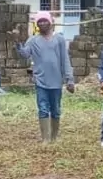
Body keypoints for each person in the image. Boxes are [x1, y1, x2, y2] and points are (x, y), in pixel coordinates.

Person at [15, 11, 76, 143]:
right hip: (41, 80)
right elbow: (25, 54)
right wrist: (18, 42)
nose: (42, 23)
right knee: (43, 108)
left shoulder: (59, 39)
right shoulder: (33, 40)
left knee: (55, 109)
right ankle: (45, 139)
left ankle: (53, 137)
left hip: (56, 81)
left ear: (50, 22)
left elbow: (65, 60)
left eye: (45, 21)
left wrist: (69, 79)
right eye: (39, 21)